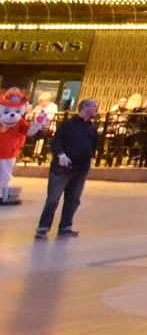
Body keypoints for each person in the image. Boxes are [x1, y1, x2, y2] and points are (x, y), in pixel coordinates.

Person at [35, 98, 100, 239]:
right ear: (85, 107)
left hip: (81, 168)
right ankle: (43, 227)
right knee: (53, 198)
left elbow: (94, 145)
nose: (96, 109)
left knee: (74, 198)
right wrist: (61, 155)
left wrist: (91, 157)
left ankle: (66, 226)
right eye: (94, 106)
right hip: (63, 168)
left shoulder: (92, 128)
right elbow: (56, 142)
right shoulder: (68, 125)